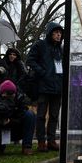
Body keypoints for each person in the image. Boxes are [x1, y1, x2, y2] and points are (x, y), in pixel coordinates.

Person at [26, 22, 63, 152]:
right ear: (50, 33)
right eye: (56, 32)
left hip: (58, 87)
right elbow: (30, 60)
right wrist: (42, 72)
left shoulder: (60, 49)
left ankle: (51, 140)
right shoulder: (40, 45)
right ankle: (41, 142)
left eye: (60, 33)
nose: (58, 35)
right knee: (41, 115)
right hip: (43, 86)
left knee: (54, 115)